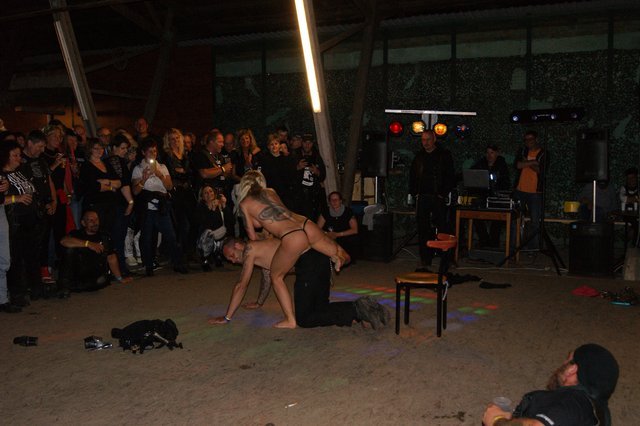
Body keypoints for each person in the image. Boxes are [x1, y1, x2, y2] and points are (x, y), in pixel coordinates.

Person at [237, 170, 349, 328]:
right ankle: (339, 258)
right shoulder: (271, 191)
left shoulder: (244, 204)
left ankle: (290, 319)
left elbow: (253, 238)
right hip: (305, 223)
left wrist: (264, 236)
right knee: (337, 251)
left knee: (276, 276)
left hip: (292, 235)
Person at [209, 238, 388, 329]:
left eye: (231, 255)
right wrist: (259, 302)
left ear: (238, 246)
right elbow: (267, 276)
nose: (232, 260)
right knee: (320, 309)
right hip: (318, 260)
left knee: (305, 319)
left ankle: (358, 309)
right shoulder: (260, 250)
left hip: (309, 263)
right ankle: (363, 311)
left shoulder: (250, 249)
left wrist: (227, 317)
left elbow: (241, 284)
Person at [482, 343, 619, 426]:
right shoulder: (595, 412)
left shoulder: (573, 403)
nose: (563, 364)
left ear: (572, 370)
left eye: (567, 360)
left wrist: (496, 420)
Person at [131, 139, 187, 276]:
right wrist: (144, 179)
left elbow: (169, 186)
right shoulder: (138, 169)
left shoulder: (162, 167)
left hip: (162, 206)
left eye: (155, 151)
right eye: (150, 151)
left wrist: (159, 174)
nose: (153, 154)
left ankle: (178, 263)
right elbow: (135, 191)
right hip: (148, 207)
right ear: (143, 152)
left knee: (171, 236)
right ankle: (148, 266)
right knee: (147, 238)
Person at [409, 129, 455, 270]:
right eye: (423, 140)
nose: (425, 143)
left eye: (428, 139)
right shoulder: (419, 157)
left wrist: (443, 193)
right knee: (423, 228)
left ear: (434, 139)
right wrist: (415, 193)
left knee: (443, 227)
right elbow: (412, 176)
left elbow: (450, 175)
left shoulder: (443, 155)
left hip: (437, 197)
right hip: (423, 196)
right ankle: (425, 258)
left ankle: (446, 258)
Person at [58, 210, 132, 297]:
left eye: (96, 219)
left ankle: (82, 285)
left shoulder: (104, 236)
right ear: (83, 223)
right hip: (79, 274)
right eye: (91, 220)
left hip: (96, 277)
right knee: (69, 250)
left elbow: (111, 257)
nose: (94, 223)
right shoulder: (77, 234)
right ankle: (65, 286)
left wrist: (120, 278)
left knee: (100, 280)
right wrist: (88, 244)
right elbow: (63, 241)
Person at [513, 130, 548, 250]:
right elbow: (517, 165)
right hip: (519, 190)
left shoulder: (543, 153)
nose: (528, 142)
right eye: (526, 139)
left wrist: (526, 162)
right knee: (515, 219)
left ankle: (532, 249)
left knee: (534, 222)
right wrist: (533, 162)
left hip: (535, 193)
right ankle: (514, 247)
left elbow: (541, 171)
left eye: (530, 139)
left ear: (536, 139)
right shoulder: (522, 150)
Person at [471, 144, 511, 247]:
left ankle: (494, 243)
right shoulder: (481, 163)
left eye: (492, 153)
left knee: (497, 220)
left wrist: (497, 189)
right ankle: (484, 240)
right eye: (487, 152)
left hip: (497, 198)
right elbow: (471, 174)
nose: (489, 155)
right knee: (475, 215)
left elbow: (506, 183)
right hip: (483, 197)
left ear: (497, 153)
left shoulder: (501, 165)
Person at [195, 185, 233, 270]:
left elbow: (231, 221)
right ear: (202, 197)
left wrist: (224, 205)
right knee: (208, 233)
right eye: (205, 193)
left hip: (219, 235)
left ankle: (218, 255)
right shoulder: (200, 207)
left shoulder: (219, 204)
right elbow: (205, 224)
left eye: (211, 191)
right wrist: (212, 210)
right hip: (206, 236)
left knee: (225, 233)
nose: (209, 194)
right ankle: (204, 259)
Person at [317, 191, 359, 263]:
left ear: (340, 201)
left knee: (351, 240)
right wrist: (327, 234)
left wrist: (338, 234)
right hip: (329, 236)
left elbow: (355, 230)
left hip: (344, 236)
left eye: (336, 199)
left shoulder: (348, 212)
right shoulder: (325, 212)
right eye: (332, 200)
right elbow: (317, 229)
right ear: (329, 202)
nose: (334, 202)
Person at [292, 133, 326, 220]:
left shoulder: (316, 156)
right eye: (305, 142)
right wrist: (297, 167)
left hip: (312, 195)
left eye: (309, 143)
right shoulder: (295, 154)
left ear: (312, 143)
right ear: (302, 143)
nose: (307, 145)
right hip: (297, 194)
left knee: (312, 218)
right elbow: (286, 174)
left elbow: (323, 176)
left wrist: (317, 171)